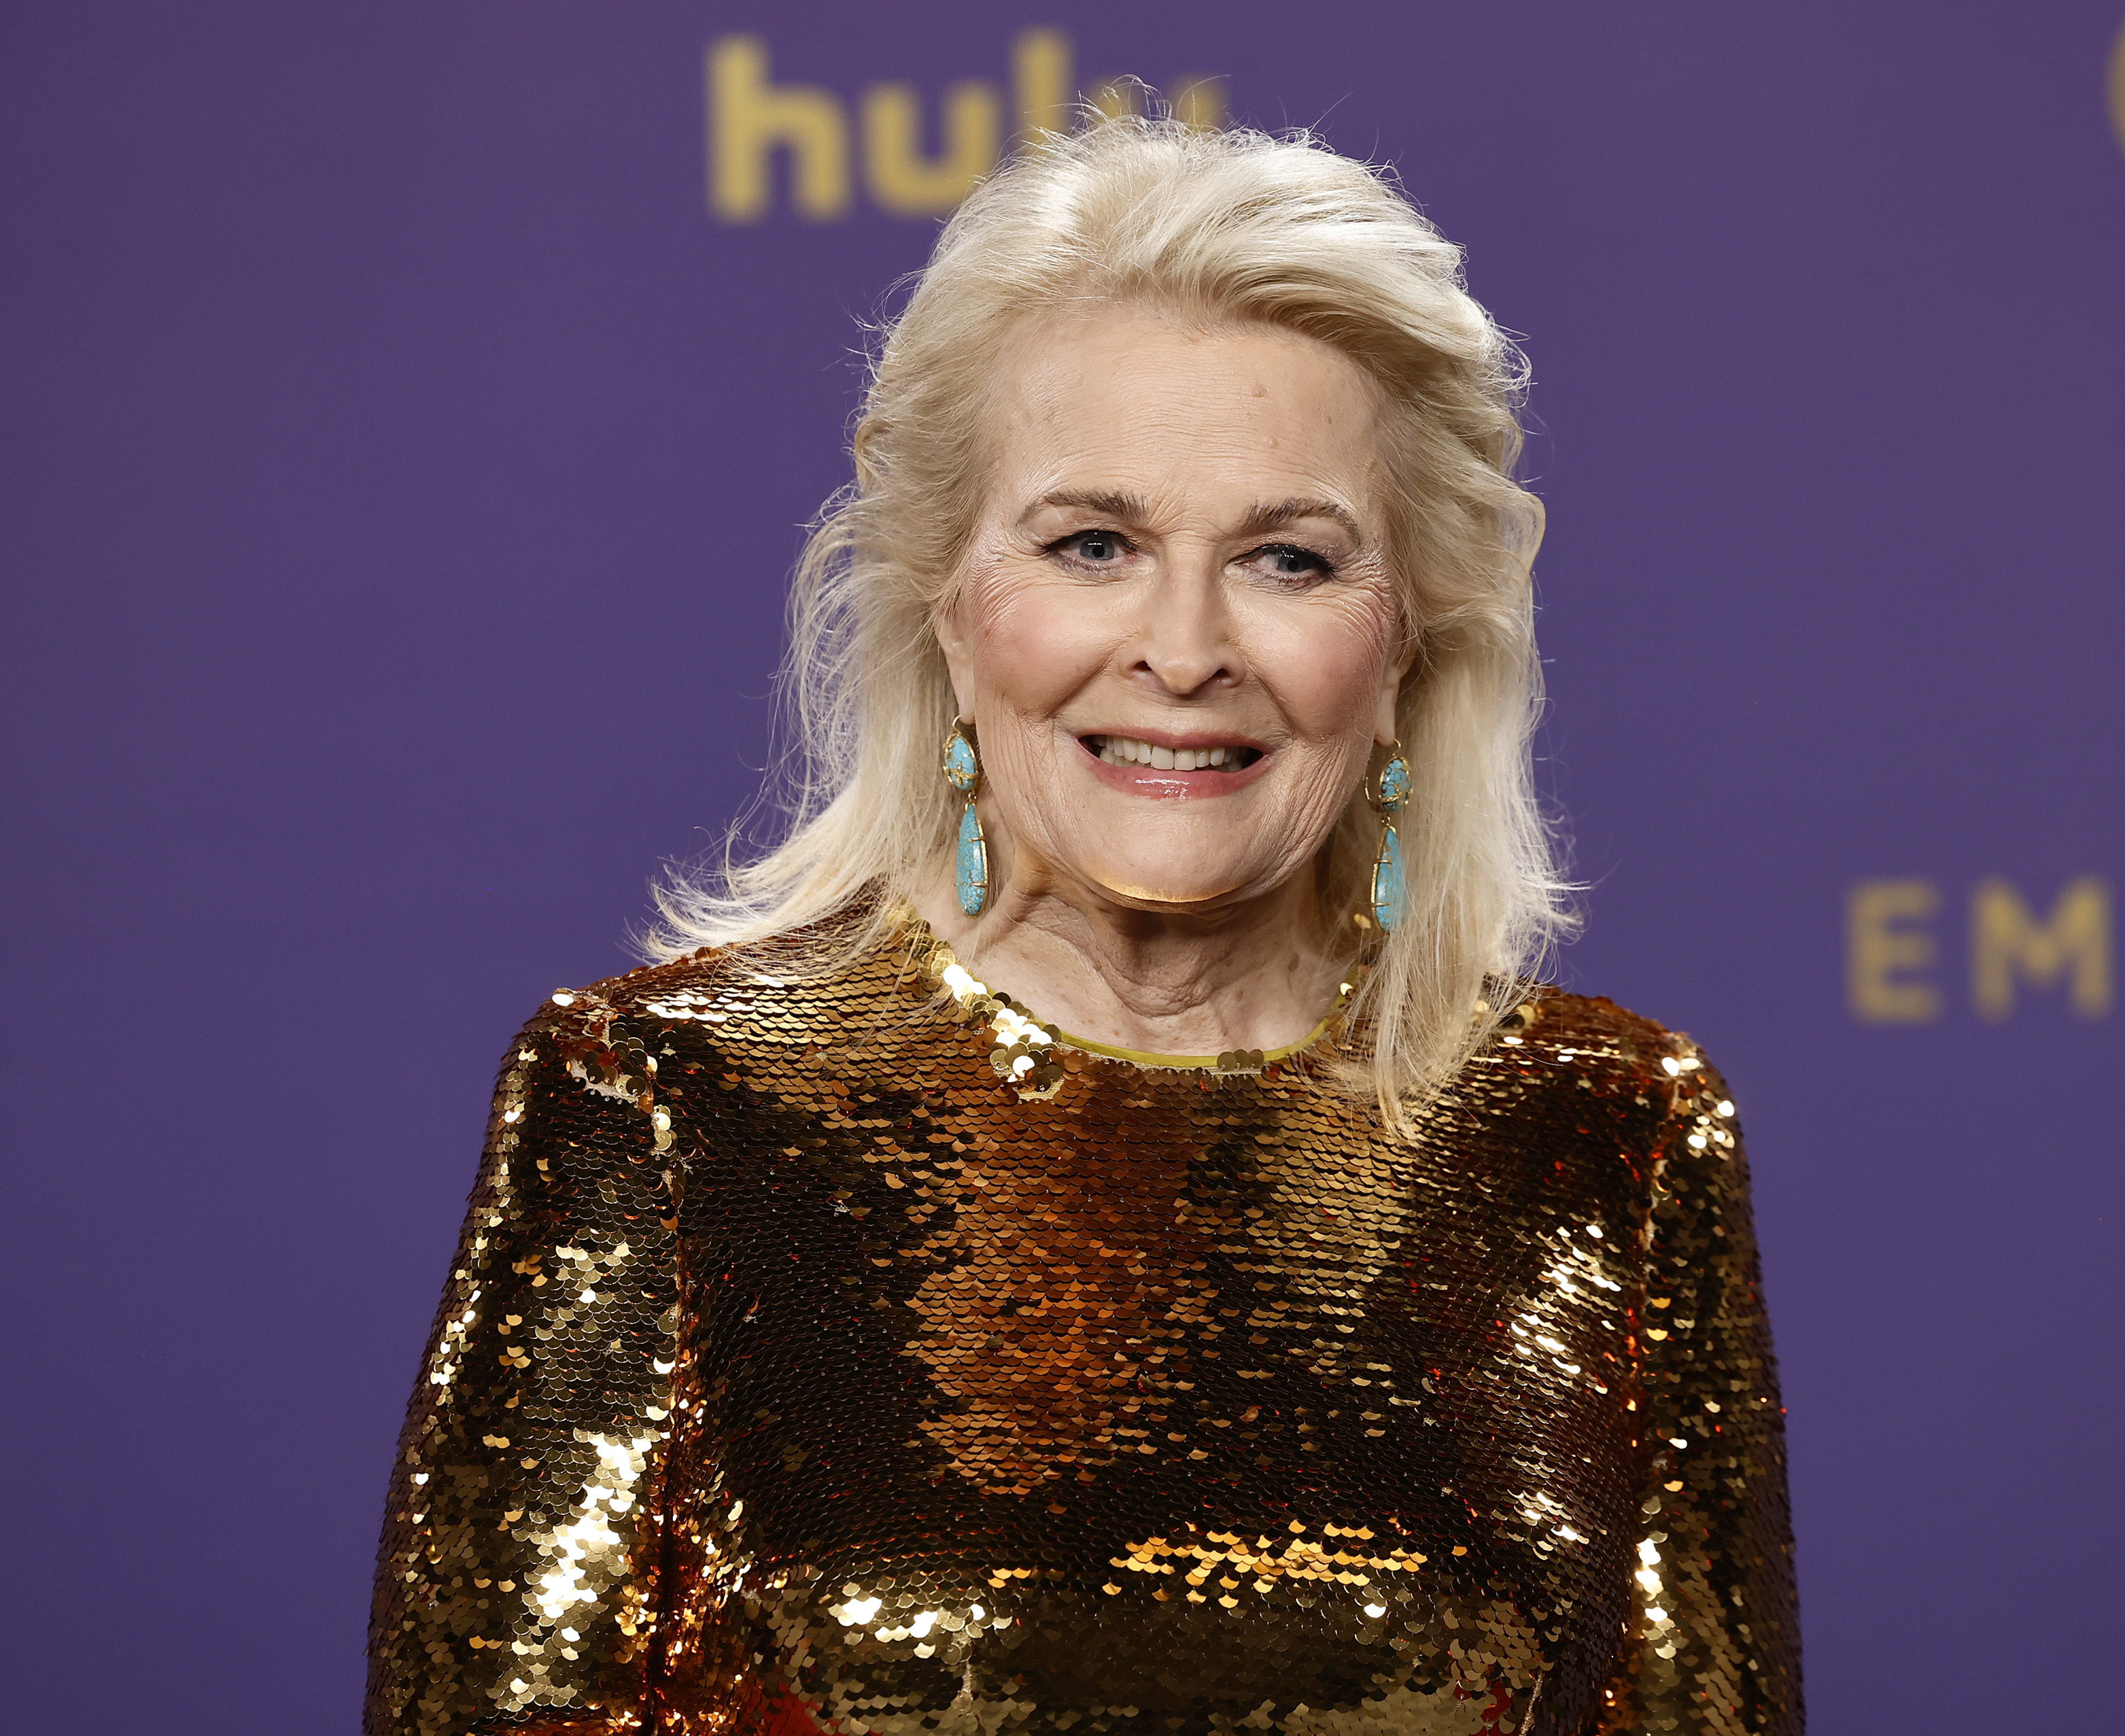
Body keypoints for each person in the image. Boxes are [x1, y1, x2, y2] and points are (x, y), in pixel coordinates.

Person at [366, 117, 1798, 1736]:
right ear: (948, 605)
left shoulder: (1606, 1133)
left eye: (1284, 556)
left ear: (1406, 635)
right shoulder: (664, 1105)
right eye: (1092, 544)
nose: (1181, 647)